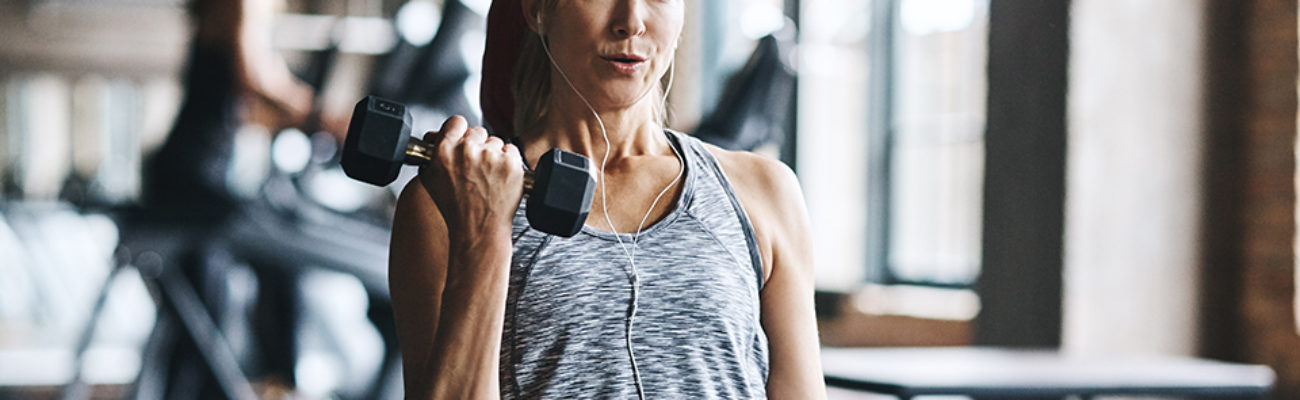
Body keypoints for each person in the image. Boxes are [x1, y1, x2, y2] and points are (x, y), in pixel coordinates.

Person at [388, 0, 826, 398]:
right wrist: (484, 235)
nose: (631, 21)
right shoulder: (443, 207)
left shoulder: (765, 192)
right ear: (538, 10)